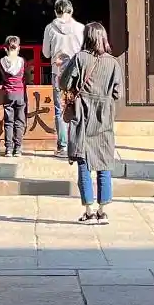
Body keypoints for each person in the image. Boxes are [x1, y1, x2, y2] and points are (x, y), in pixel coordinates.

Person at [66, 22, 120, 224]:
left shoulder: (80, 58)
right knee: (104, 163)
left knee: (83, 162)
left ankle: (88, 211)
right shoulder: (113, 63)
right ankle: (102, 211)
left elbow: (64, 82)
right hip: (104, 117)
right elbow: (118, 92)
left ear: (87, 37)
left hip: (83, 114)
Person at [40, 0, 85, 157]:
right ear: (71, 10)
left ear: (55, 12)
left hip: (58, 72)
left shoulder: (50, 28)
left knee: (60, 109)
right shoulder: (80, 28)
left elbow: (46, 53)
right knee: (77, 106)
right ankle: (78, 144)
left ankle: (63, 146)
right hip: (77, 73)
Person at [0, 35, 28, 157]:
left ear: (6, 48)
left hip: (8, 93)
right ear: (18, 48)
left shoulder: (2, 61)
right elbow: (24, 76)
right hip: (20, 93)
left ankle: (9, 149)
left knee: (8, 122)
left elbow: (3, 77)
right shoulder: (22, 61)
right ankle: (18, 149)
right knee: (19, 121)